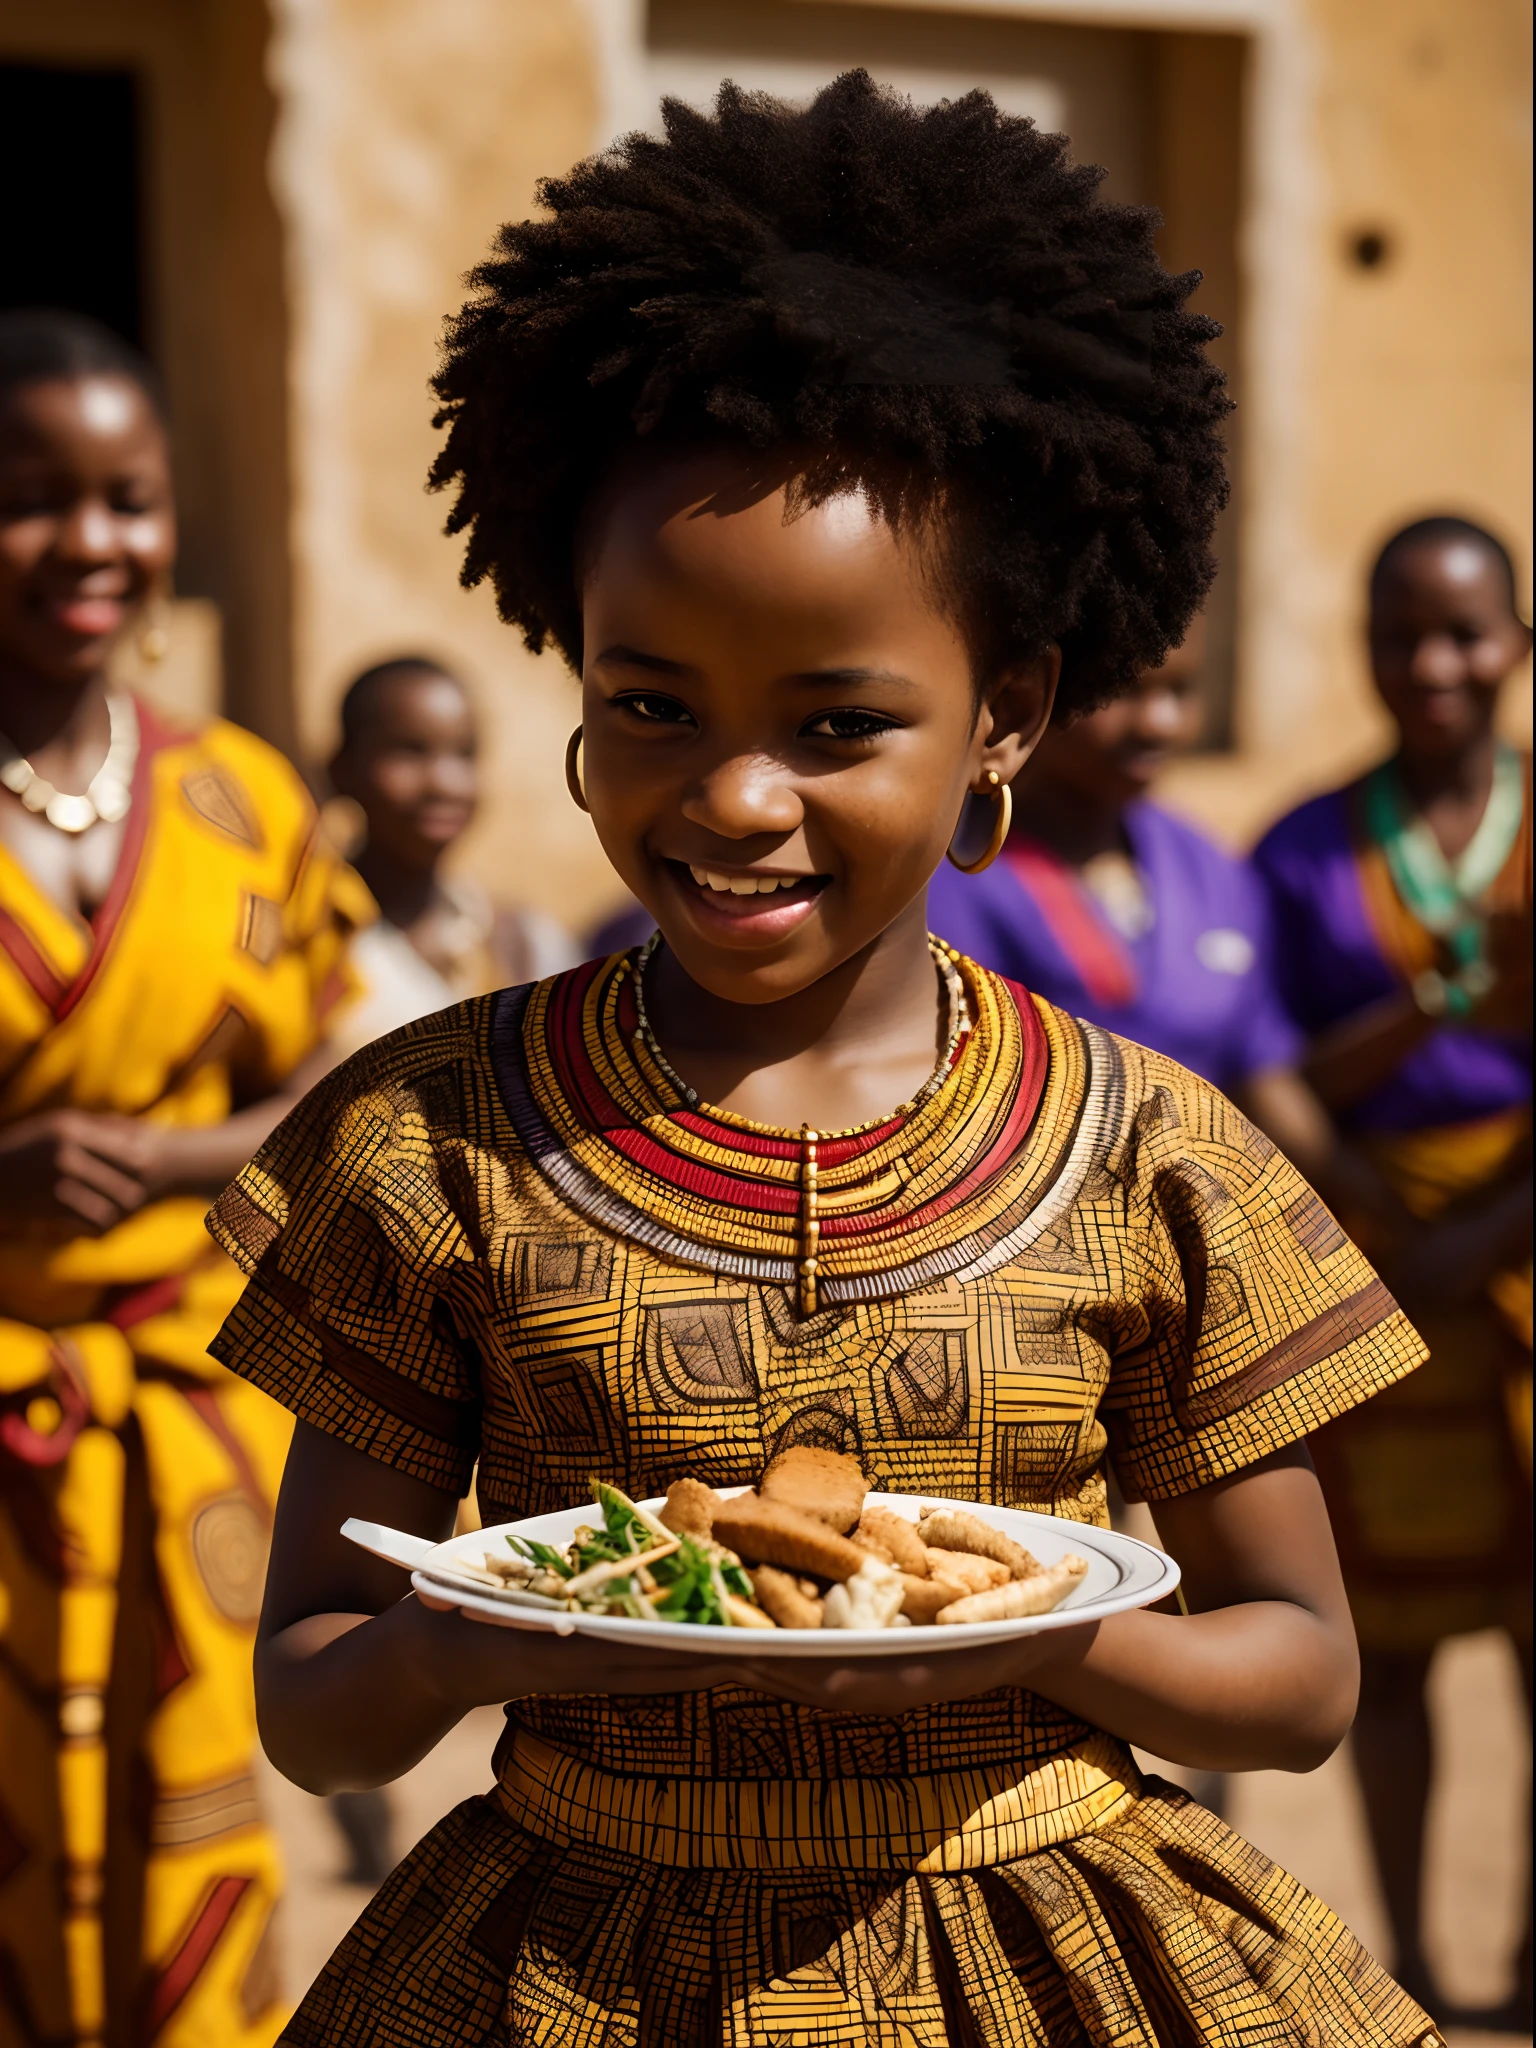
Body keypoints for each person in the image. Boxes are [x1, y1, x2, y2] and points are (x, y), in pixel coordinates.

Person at [211, 78, 1438, 2045]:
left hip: (1054, 1960)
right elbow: (311, 1707)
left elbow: (1300, 1677)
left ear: (1006, 715)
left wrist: (1017, 1639)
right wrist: (486, 1624)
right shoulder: (427, 1142)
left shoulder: (1152, 1155)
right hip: (569, 1968)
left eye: (840, 718)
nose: (737, 796)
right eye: (651, 703)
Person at [0, 309, 368, 2045]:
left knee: (199, 1830)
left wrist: (158, 1156)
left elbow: (324, 1080)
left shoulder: (245, 798)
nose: (92, 541)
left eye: (128, 497)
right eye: (31, 497)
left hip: (194, 1417)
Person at [1255, 514, 1531, 2028]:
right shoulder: (1304, 846)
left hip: (1521, 1243)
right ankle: (1413, 1962)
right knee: (1402, 1640)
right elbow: (1263, 1065)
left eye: (1468, 632)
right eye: (1403, 633)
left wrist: (1499, 1228)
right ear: (1362, 651)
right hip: (1379, 1276)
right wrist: (1375, 1205)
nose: (1437, 664)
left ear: (1520, 647)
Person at [926, 617, 1305, 1108]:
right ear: (1031, 696)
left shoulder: (1210, 871)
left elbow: (1262, 1072)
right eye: (1125, 690)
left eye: (1182, 690)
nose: (1160, 722)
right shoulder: (951, 870)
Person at [323, 656, 577, 1063]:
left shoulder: (518, 940)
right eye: (408, 751)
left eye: (464, 754)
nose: (445, 783)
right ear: (343, 769)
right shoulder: (314, 940)